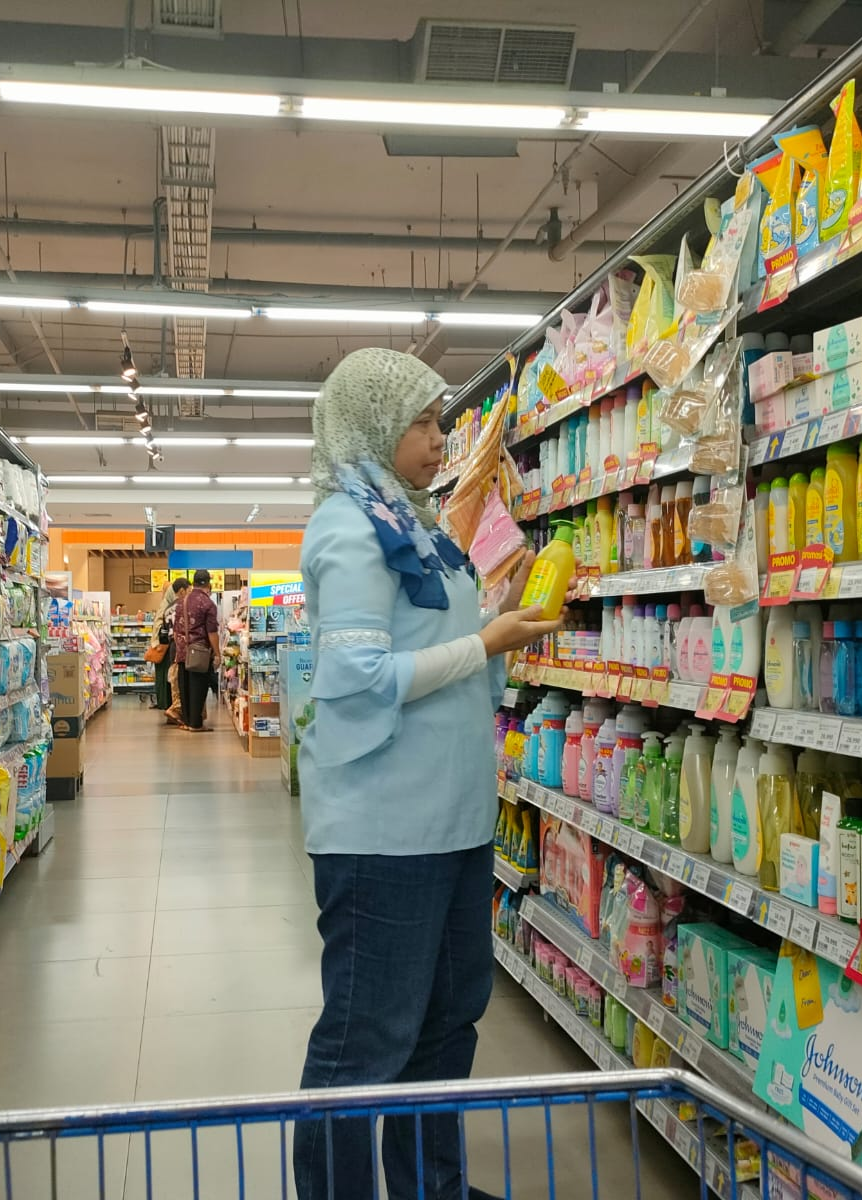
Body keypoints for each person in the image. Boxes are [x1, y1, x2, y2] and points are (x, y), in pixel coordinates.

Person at [292, 347, 564, 1200]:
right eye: (422, 421)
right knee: (366, 1040)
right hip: (384, 833)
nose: (440, 438)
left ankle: (429, 1190)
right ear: (370, 425)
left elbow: (445, 668)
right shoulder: (347, 526)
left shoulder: (417, 528)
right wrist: (483, 640)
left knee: (447, 1027)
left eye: (441, 420)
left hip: (454, 825)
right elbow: (360, 679)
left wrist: (494, 619)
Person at [172, 569, 220, 732]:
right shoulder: (208, 604)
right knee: (198, 686)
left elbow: (175, 627)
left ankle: (186, 721)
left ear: (193, 583)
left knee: (184, 685)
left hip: (181, 650)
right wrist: (217, 653)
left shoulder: (181, 602)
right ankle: (195, 723)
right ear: (208, 583)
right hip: (199, 652)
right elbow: (212, 632)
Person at [157, 578, 190, 722]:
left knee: (174, 680)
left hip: (171, 647)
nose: (190, 593)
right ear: (182, 591)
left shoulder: (167, 609)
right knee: (184, 680)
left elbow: (163, 633)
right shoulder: (185, 606)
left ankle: (174, 711)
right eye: (188, 590)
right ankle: (179, 712)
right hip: (183, 646)